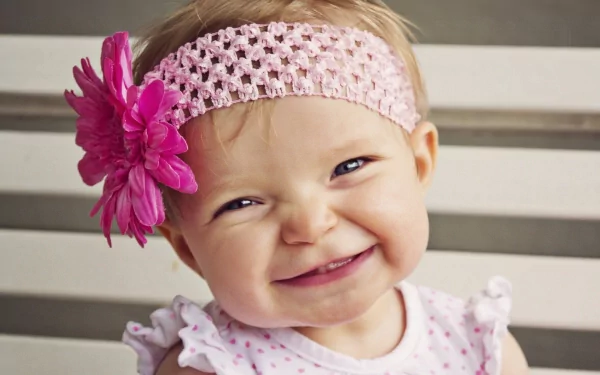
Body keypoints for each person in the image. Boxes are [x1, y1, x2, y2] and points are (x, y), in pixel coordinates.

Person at [64, 0, 529, 374]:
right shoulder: (211, 366)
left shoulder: (478, 347)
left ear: (419, 162)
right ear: (187, 249)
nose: (309, 225)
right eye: (241, 202)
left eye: (348, 166)